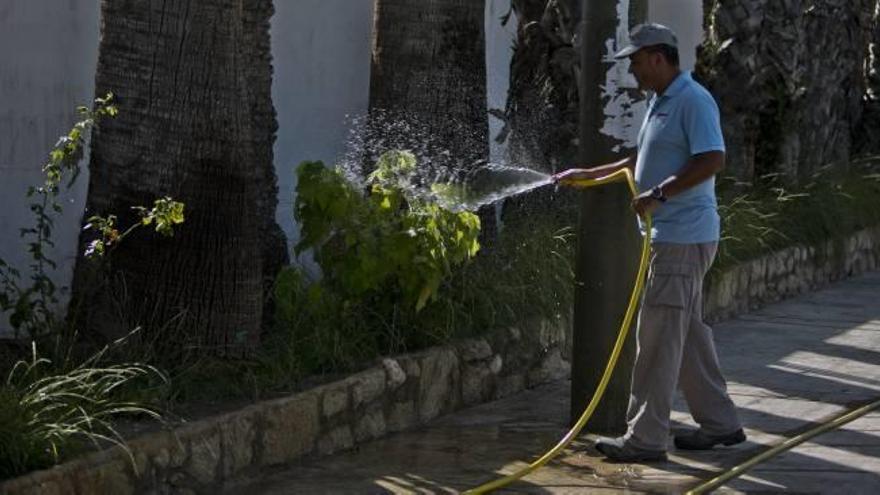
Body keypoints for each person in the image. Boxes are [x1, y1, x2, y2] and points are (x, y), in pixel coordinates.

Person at [553, 23, 745, 462]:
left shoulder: (692, 100)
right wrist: (589, 176)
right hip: (673, 238)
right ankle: (721, 423)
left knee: (657, 338)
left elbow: (713, 157)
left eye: (636, 62)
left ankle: (645, 439)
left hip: (681, 237)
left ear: (658, 58)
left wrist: (660, 194)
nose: (633, 71)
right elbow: (642, 159)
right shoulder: (661, 101)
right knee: (687, 333)